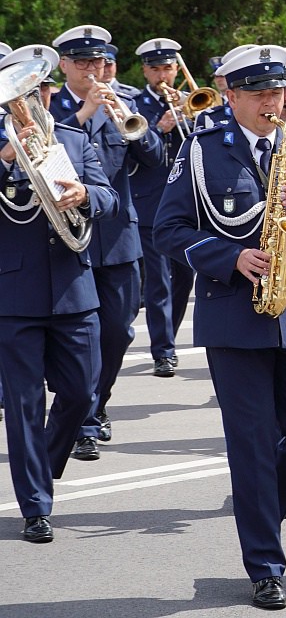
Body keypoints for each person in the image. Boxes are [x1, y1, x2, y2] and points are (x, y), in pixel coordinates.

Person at [154, 44, 286, 609]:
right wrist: (229, 258)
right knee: (250, 446)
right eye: (262, 95)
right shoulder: (201, 150)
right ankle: (265, 565)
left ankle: (261, 503)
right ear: (232, 95)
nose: (276, 104)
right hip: (235, 318)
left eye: (281, 92)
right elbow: (167, 229)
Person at [0, 44, 119, 543]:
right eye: (21, 93)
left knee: (80, 392)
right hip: (15, 293)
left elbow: (109, 196)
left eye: (40, 89)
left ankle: (43, 470)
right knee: (24, 404)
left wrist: (86, 195)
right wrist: (6, 155)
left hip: (73, 287)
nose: (35, 99)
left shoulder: (71, 136)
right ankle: (35, 505)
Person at [49, 25, 164, 459]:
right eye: (83, 63)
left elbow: (154, 160)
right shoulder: (49, 104)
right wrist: (82, 115)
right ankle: (83, 418)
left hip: (117, 238)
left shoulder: (126, 103)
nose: (94, 70)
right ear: (64, 66)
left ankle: (95, 405)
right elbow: (46, 151)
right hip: (65, 240)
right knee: (73, 338)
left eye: (99, 62)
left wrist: (135, 127)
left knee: (116, 332)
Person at [130, 38, 194, 378]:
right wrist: (160, 126)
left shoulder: (189, 102)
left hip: (186, 203)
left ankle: (168, 333)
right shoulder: (136, 104)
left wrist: (192, 113)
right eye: (155, 68)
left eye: (168, 68)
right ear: (145, 70)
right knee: (158, 282)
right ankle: (163, 350)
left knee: (184, 277)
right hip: (151, 203)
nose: (162, 74)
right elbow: (142, 153)